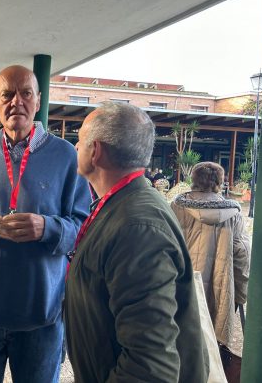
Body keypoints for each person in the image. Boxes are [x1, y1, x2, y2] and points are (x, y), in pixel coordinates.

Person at [0, 65, 90, 383]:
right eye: (7, 95)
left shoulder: (65, 156)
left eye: (26, 93)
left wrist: (47, 228)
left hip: (41, 309)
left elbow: (84, 229)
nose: (17, 102)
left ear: (38, 101)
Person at [65, 101, 208, 382]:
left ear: (96, 151)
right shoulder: (123, 204)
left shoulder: (137, 227)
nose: (75, 149)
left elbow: (150, 366)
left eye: (79, 140)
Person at [171, 162, 250, 368]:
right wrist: (239, 292)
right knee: (212, 348)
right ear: (220, 183)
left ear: (194, 181)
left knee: (179, 341)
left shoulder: (176, 208)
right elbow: (241, 256)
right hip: (220, 285)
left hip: (181, 286)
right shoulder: (233, 214)